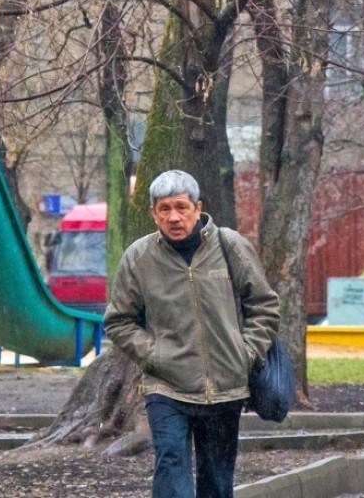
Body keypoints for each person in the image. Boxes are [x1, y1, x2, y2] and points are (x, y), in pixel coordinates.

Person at [104, 170, 281, 498]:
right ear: (153, 214)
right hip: (166, 386)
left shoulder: (231, 246)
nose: (174, 217)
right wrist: (154, 354)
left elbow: (265, 306)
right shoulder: (139, 258)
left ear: (198, 208)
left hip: (225, 387)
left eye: (182, 207)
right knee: (171, 466)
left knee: (217, 478)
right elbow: (118, 321)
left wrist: (245, 353)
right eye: (165, 209)